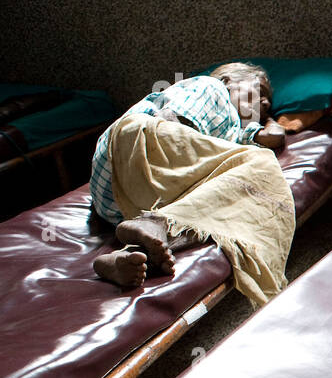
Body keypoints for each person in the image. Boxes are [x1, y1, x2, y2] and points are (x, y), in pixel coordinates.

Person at [90, 62, 294, 307]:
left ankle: (129, 254)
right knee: (261, 163)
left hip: (123, 204)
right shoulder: (211, 88)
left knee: (226, 206)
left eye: (267, 101)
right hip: (134, 150)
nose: (264, 102)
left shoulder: (232, 131)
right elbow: (172, 122)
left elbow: (274, 136)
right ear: (229, 80)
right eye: (258, 91)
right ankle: (156, 222)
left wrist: (266, 115)